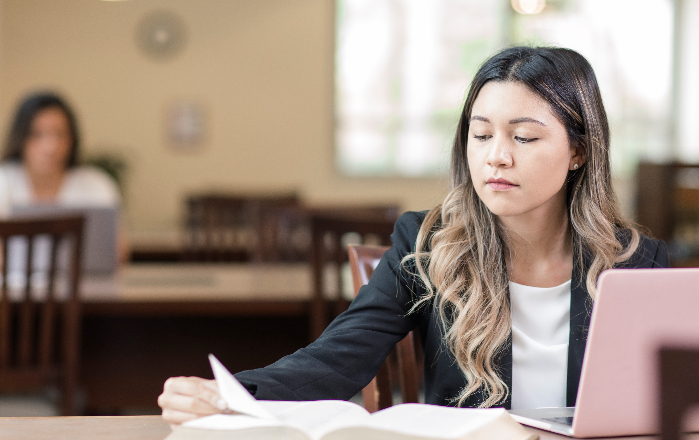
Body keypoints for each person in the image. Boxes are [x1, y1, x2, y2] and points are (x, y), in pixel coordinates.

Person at [157, 46, 669, 424]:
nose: (497, 156)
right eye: (482, 134)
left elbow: (671, 397)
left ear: (579, 151)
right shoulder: (426, 243)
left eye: (525, 136)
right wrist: (233, 394)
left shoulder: (636, 264)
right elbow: (340, 357)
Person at [0, 92, 127, 260]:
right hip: (13, 285)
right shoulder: (4, 182)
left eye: (59, 134)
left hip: (88, 285)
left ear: (72, 138)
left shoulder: (97, 185)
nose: (50, 147)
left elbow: (119, 251)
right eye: (37, 134)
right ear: (20, 137)